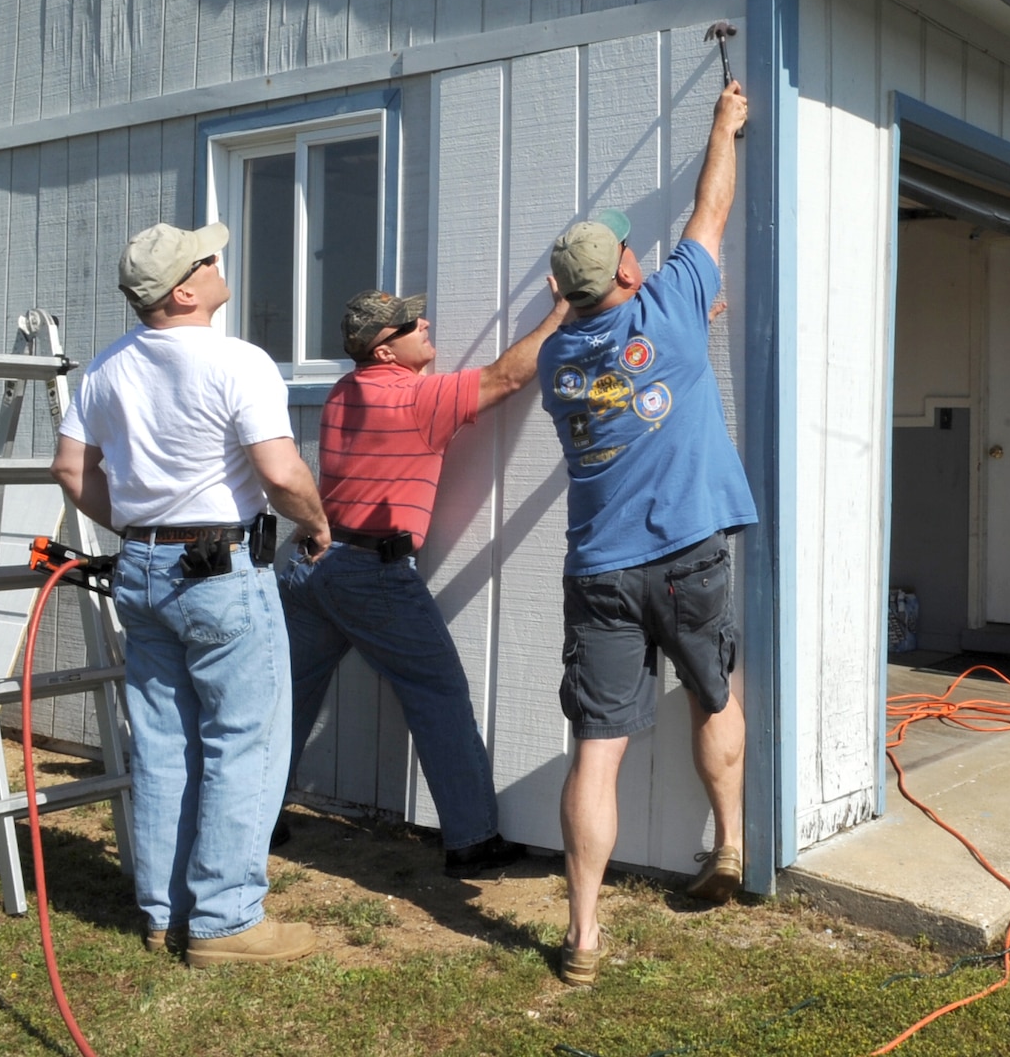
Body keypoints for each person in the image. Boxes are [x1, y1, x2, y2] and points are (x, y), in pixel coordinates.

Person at [53, 221, 333, 969]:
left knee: (165, 745)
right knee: (246, 740)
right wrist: (316, 521)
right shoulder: (238, 362)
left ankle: (163, 911)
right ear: (184, 289)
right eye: (210, 258)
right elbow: (278, 473)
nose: (220, 262)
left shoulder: (105, 369)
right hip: (219, 573)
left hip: (141, 572)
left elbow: (71, 471)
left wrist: (141, 530)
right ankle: (224, 921)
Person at [537, 79, 755, 987]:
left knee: (597, 749)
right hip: (690, 552)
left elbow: (602, 349)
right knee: (715, 693)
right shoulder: (669, 310)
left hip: (600, 572)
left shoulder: (556, 358)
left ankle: (584, 938)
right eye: (630, 249)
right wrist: (723, 124)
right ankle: (730, 848)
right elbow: (713, 205)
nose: (639, 252)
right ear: (629, 272)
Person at [275, 285, 568, 873]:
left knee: (286, 700)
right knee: (439, 696)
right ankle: (472, 838)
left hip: (312, 568)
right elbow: (508, 378)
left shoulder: (341, 393)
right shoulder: (411, 400)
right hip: (371, 574)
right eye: (410, 324)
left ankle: (257, 817)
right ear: (384, 352)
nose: (424, 322)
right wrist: (562, 312)